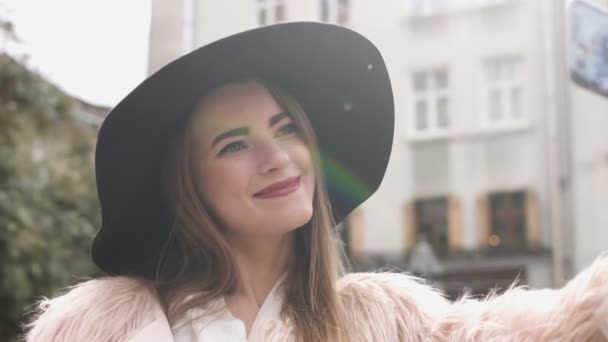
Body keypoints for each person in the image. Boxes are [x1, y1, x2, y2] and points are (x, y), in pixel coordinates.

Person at [24, 22, 608, 342]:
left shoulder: (389, 323)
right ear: (188, 184)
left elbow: (561, 325)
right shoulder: (96, 328)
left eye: (286, 129)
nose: (277, 158)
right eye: (234, 144)